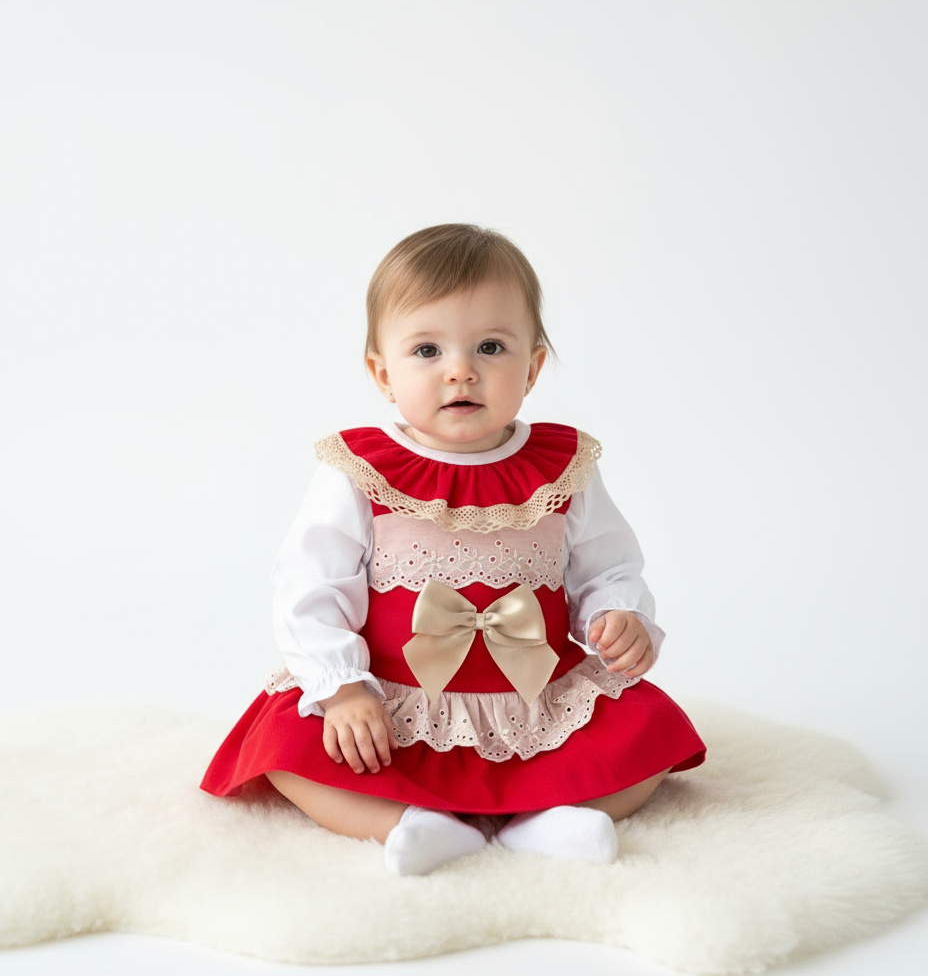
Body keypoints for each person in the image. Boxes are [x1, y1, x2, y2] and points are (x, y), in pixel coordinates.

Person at [201, 223, 705, 875]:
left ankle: (553, 823)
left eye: (490, 347)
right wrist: (344, 690)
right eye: (427, 350)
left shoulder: (563, 468)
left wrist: (619, 615)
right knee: (286, 744)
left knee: (652, 730)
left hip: (533, 703)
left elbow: (607, 564)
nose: (461, 369)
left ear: (532, 369)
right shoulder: (358, 470)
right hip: (394, 705)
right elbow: (309, 587)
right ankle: (408, 825)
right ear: (382, 375)